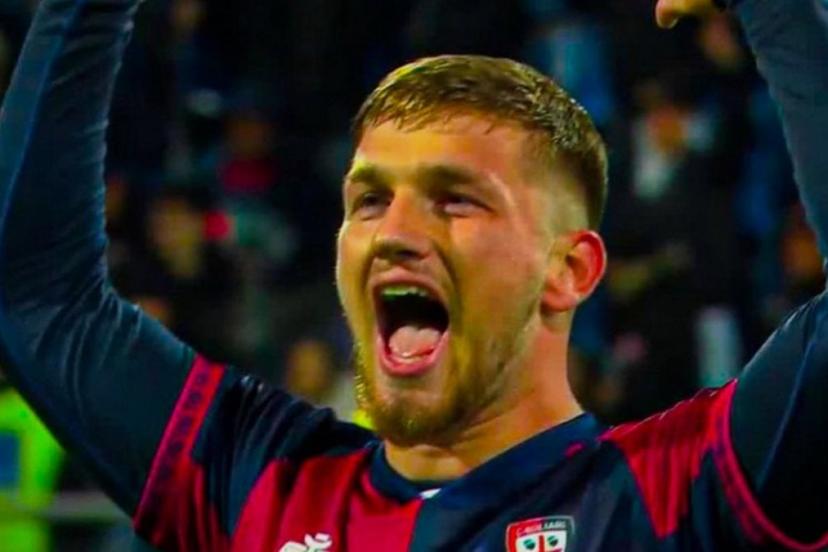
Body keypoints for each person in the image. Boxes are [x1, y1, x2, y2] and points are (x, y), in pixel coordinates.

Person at [0, 0, 826, 551]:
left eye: (455, 200)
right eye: (369, 200)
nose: (394, 234)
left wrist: (778, 9)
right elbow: (32, 295)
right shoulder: (259, 481)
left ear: (569, 269)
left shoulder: (674, 492)